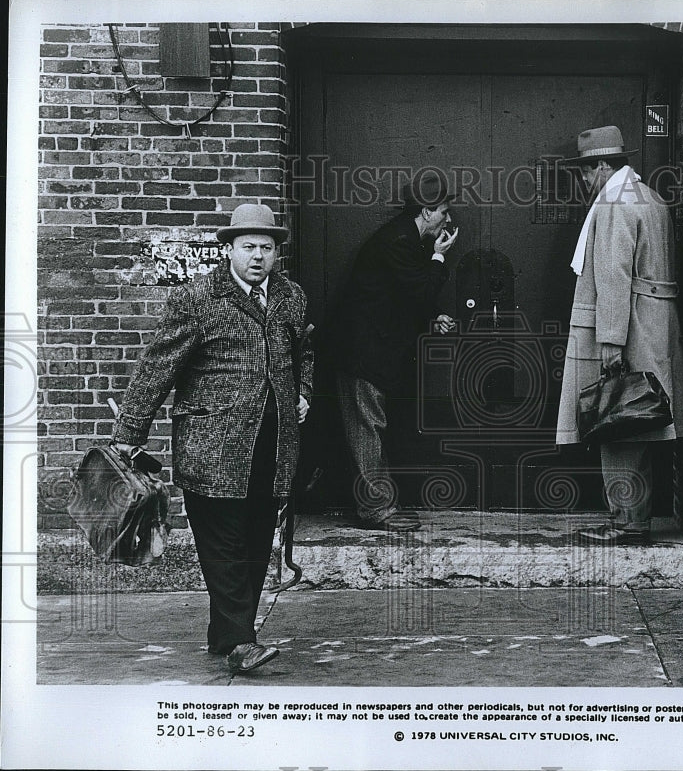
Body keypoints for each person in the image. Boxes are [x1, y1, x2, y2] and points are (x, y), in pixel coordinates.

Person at [112, 203, 313, 673]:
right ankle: (243, 643)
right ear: (229, 250)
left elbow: (305, 351)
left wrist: (303, 391)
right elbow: (158, 367)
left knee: (258, 540)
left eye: (266, 248)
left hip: (273, 444)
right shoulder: (198, 298)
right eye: (248, 248)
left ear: (276, 253)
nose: (258, 257)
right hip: (213, 444)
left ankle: (225, 634)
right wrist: (128, 435)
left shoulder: (290, 296)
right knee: (222, 543)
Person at [554, 125, 683, 544]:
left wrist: (610, 343)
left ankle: (627, 522)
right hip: (654, 328)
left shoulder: (613, 203)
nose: (582, 180)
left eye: (584, 170)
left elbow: (613, 277)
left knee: (616, 425)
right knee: (638, 424)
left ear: (600, 167)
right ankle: (634, 518)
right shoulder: (647, 196)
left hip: (626, 330)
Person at [335, 173, 459, 532]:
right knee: (366, 428)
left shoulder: (408, 239)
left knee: (371, 426)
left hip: (374, 351)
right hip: (362, 354)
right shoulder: (399, 241)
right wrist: (438, 259)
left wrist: (434, 315)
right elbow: (417, 289)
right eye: (444, 213)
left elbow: (403, 294)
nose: (448, 220)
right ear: (427, 211)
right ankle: (376, 510)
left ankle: (381, 504)